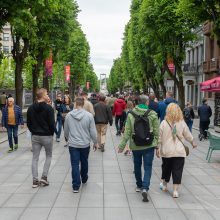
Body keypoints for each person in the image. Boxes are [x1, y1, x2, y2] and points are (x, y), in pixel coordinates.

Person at [118, 95, 159, 202]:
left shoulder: (131, 114)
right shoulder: (152, 114)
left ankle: (139, 185)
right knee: (148, 167)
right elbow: (156, 131)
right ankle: (145, 188)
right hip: (149, 145)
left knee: (137, 165)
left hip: (135, 145)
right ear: (147, 103)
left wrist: (122, 146)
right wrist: (157, 144)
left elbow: (127, 132)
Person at [156, 103, 197, 198]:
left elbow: (159, 137)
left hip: (167, 151)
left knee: (166, 168)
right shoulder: (182, 122)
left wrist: (157, 148)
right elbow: (187, 134)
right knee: (177, 171)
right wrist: (192, 142)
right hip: (179, 151)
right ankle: (175, 191)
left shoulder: (164, 122)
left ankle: (165, 185)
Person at [64, 97, 98, 193]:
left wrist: (67, 138)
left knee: (74, 164)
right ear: (83, 104)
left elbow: (66, 130)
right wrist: (95, 142)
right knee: (84, 161)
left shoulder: (69, 115)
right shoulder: (89, 116)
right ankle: (84, 177)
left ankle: (75, 186)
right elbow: (92, 131)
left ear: (75, 104)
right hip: (85, 144)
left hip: (73, 144)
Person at [27, 88, 55, 188]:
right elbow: (52, 124)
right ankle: (44, 177)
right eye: (46, 94)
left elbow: (29, 123)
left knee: (35, 158)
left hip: (35, 136)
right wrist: (51, 133)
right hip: (47, 135)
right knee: (49, 156)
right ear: (43, 96)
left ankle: (35, 180)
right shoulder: (49, 108)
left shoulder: (30, 108)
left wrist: (33, 131)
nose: (48, 95)